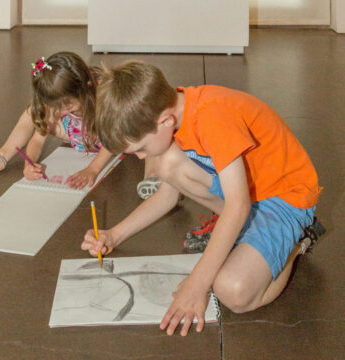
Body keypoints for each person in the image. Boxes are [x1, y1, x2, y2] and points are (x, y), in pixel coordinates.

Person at [81, 60, 323, 336]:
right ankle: (250, 236)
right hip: (250, 193)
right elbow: (167, 196)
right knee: (167, 163)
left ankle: (296, 244)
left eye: (140, 148)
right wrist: (114, 235)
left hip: (286, 198)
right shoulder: (177, 110)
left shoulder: (212, 117)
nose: (140, 157)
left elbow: (238, 205)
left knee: (232, 291)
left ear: (165, 122)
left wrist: (198, 283)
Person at [0, 51, 114, 189]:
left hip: (107, 139)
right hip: (80, 134)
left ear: (84, 88)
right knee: (32, 112)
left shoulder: (104, 95)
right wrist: (29, 164)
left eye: (69, 106)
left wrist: (93, 169)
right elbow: (37, 140)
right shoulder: (58, 98)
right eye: (57, 107)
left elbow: (114, 138)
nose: (61, 112)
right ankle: (2, 155)